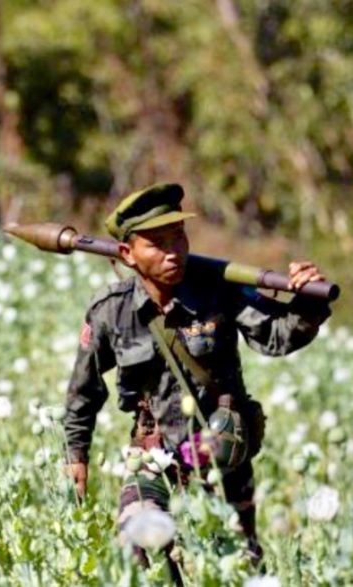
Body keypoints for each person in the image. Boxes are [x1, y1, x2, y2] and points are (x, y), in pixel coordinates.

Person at [63, 182, 332, 576]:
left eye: (178, 237)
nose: (174, 251)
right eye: (156, 243)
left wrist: (308, 300)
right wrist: (76, 455)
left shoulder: (220, 292)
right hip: (153, 459)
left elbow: (277, 337)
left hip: (223, 461)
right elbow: (83, 391)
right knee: (137, 551)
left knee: (236, 569)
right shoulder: (111, 312)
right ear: (127, 254)